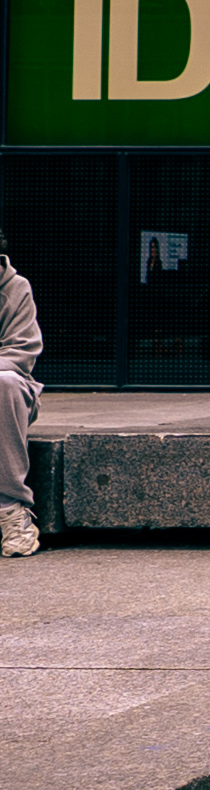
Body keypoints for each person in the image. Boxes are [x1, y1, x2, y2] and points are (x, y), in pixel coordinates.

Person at [0, 237, 43, 558]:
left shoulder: (15, 288)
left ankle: (10, 508)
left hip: (7, 391)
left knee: (4, 383)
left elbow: (21, 351)